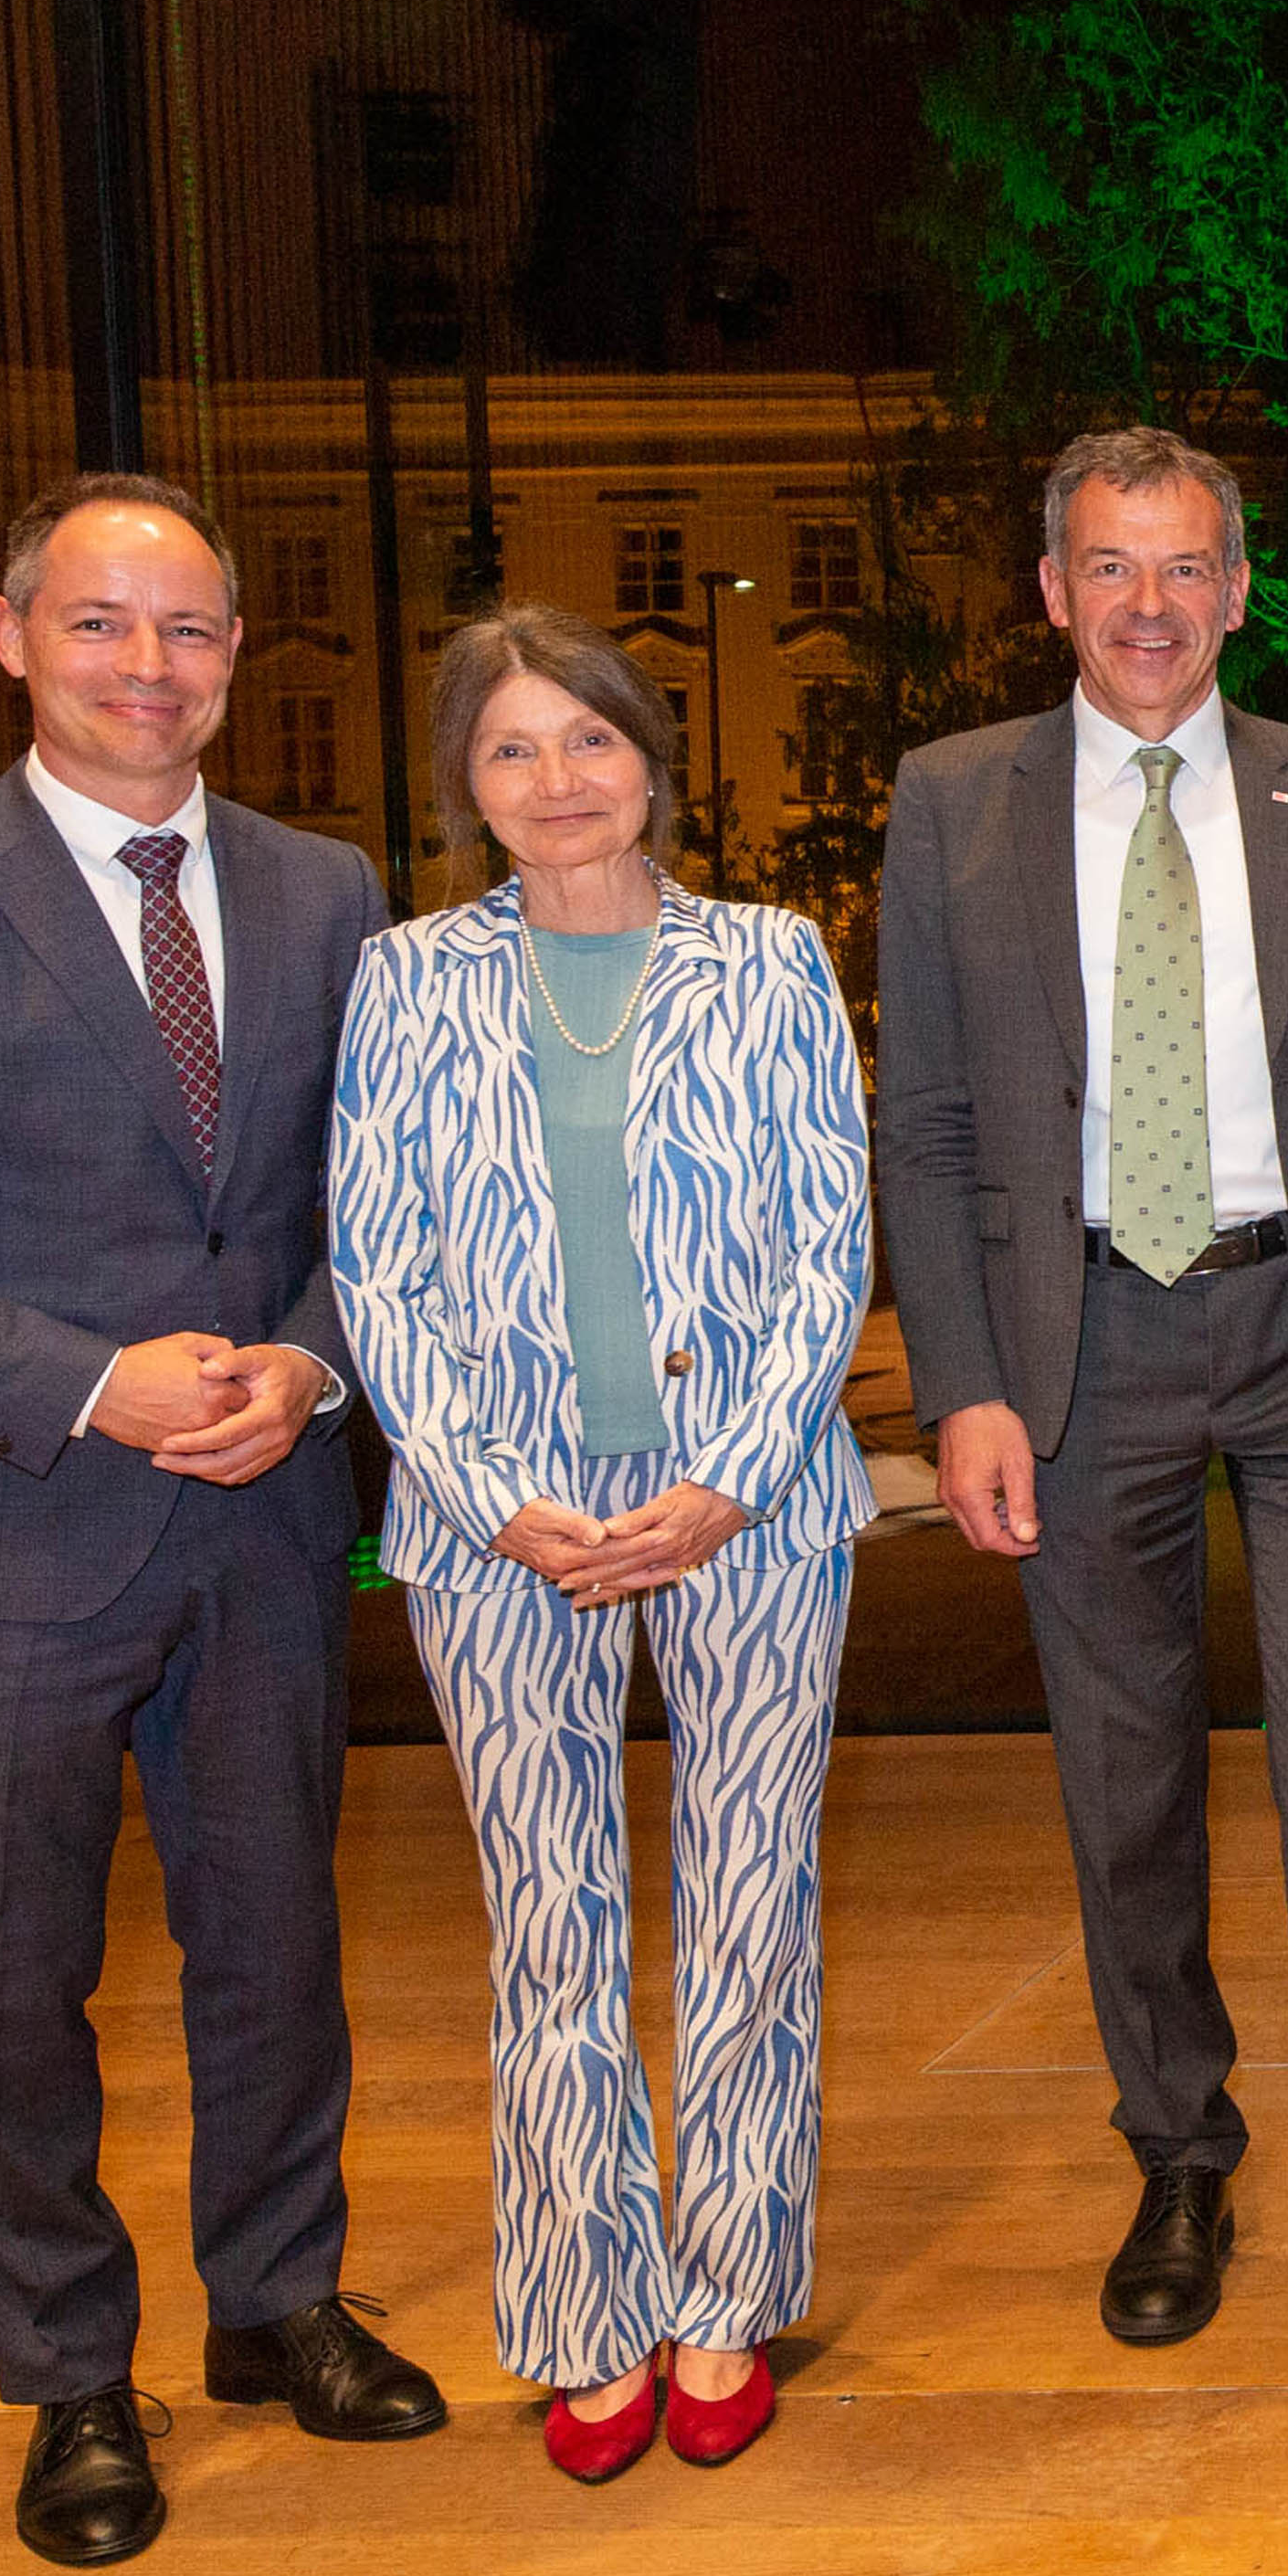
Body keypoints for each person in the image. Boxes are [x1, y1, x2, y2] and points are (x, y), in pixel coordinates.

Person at [0, 473, 442, 2564]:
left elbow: (375, 1204)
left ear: (238, 654)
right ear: (12, 633)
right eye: (104, 622)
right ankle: (67, 2373)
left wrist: (311, 1363)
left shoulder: (326, 891)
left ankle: (277, 2298)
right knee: (15, 1981)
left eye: (190, 627)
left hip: (261, 1520)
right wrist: (86, 1378)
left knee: (274, 1941)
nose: (150, 664)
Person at [873, 425, 1288, 2367]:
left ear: (1237, 591)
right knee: (1123, 1774)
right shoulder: (951, 801)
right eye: (1109, 565)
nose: (1148, 604)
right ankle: (1178, 2153)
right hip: (1079, 1344)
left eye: (1184, 567)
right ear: (1051, 591)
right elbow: (929, 1118)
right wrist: (963, 1386)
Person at [327, 613, 871, 2481]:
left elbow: (828, 1243)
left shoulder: (772, 961)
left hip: (751, 1504)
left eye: (591, 740)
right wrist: (486, 1489)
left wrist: (727, 1474)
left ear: (652, 756)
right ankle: (583, 2310)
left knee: (750, 1906)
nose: (557, 780)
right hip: (505, 1525)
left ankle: (726, 2294)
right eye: (511, 749)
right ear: (463, 785)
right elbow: (377, 1265)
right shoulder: (406, 982)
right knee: (548, 1925)